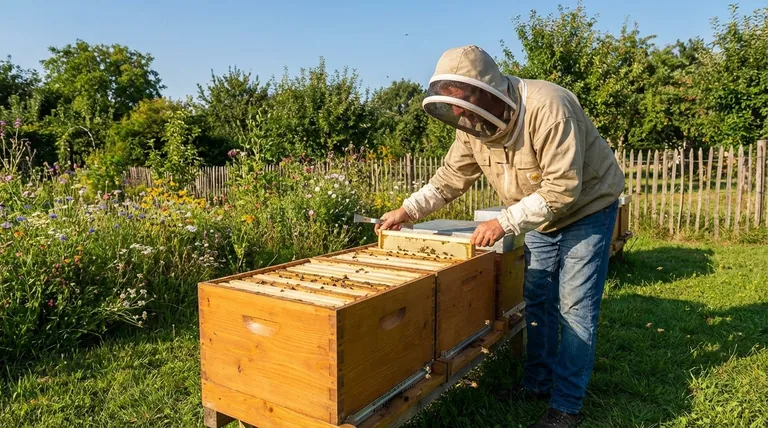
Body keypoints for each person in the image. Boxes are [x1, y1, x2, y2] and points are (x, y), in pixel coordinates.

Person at [375, 45, 625, 428]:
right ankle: (537, 383)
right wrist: (408, 210)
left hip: (588, 209)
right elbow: (449, 179)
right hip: (536, 216)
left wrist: (504, 223)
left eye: (463, 105)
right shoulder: (472, 125)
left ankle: (566, 407)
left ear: (486, 91)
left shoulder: (550, 108)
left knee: (576, 309)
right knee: (538, 302)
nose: (460, 116)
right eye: (453, 109)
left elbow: (562, 188)